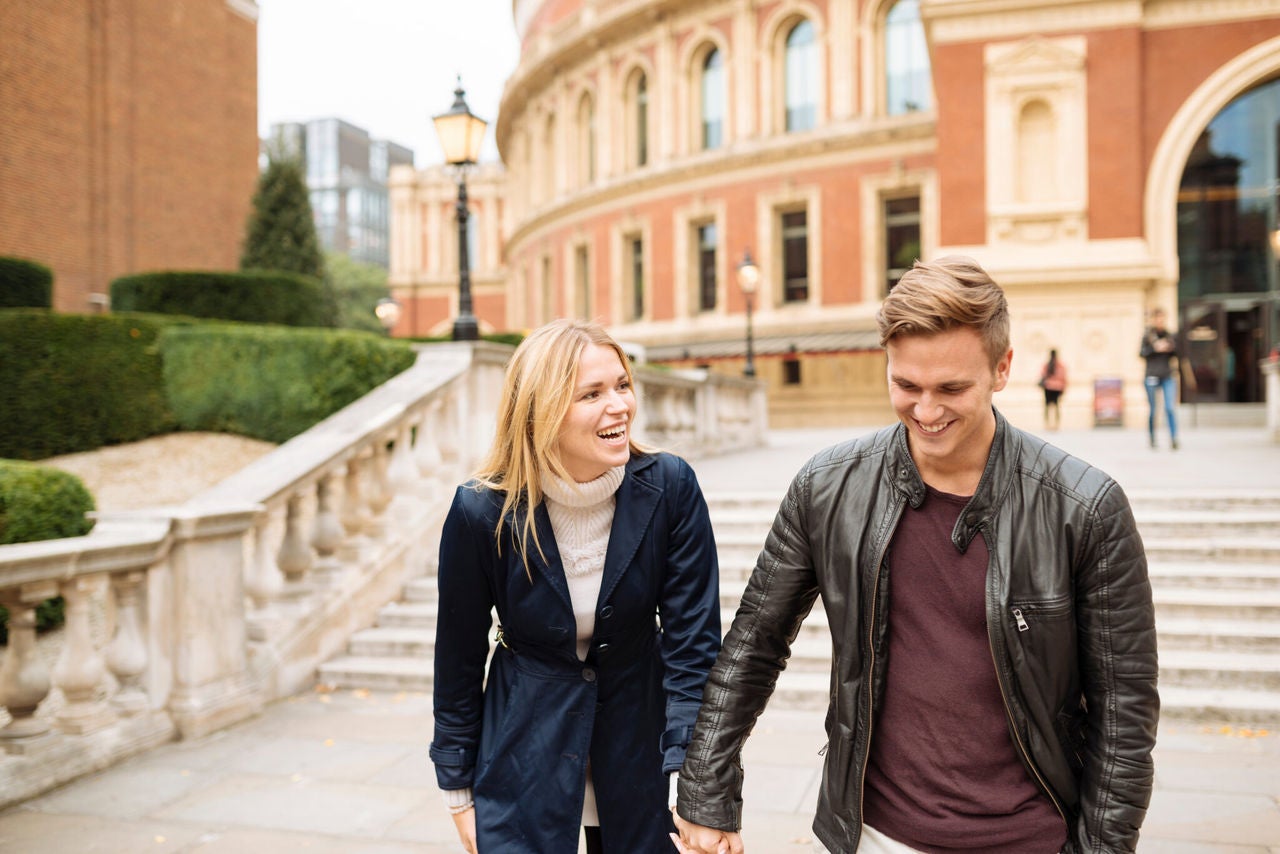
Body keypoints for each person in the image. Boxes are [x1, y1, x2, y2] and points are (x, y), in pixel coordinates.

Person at [672, 257, 1158, 854]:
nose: (926, 412)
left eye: (952, 388)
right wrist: (704, 789)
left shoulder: (1085, 508)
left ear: (1003, 369)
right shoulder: (826, 488)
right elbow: (754, 642)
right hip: (874, 834)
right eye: (906, 386)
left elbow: (1125, 707)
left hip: (1030, 836)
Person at [430, 319, 722, 854]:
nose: (619, 406)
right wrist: (457, 790)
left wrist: (695, 782)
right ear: (542, 411)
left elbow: (693, 649)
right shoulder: (480, 512)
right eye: (592, 394)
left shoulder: (670, 488)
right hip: (525, 752)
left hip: (642, 750)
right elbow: (458, 659)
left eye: (621, 385)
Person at [1140, 308, 1180, 450]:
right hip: (1151, 375)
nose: (1160, 321)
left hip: (1167, 375)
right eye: (1157, 318)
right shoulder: (1148, 336)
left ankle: (1174, 438)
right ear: (1154, 319)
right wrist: (1154, 347)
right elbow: (1141, 353)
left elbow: (1178, 353)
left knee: (1169, 407)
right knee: (1153, 409)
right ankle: (1152, 437)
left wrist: (1170, 347)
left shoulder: (1170, 336)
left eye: (1162, 319)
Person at [1039, 348, 1068, 430]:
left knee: (1047, 407)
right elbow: (1063, 377)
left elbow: (1042, 375)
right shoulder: (1060, 365)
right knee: (1057, 407)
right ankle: (1056, 425)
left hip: (1048, 388)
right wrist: (1063, 388)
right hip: (1057, 388)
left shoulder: (1047, 365)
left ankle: (1047, 424)